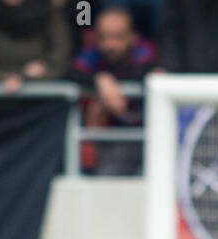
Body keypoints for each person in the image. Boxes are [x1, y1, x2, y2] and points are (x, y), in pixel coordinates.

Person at [69, 6, 160, 175]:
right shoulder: (93, 55)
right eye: (104, 38)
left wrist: (112, 86)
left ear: (133, 37)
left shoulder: (147, 52)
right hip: (112, 144)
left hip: (152, 140)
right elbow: (70, 72)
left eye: (118, 37)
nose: (110, 45)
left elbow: (148, 69)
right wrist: (99, 79)